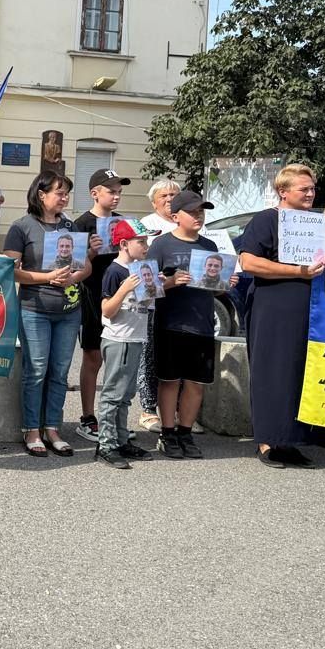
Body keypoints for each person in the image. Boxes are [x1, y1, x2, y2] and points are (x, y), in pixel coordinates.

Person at [239, 164, 325, 469]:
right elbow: (249, 262)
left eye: (313, 188)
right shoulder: (266, 220)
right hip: (273, 306)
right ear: (283, 191)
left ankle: (291, 440)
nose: (311, 194)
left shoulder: (319, 223)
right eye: (304, 189)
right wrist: (298, 271)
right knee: (273, 371)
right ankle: (267, 441)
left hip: (314, 309)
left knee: (300, 372)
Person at [3, 170, 96, 458]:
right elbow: (10, 271)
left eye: (67, 192)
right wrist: (47, 278)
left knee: (59, 372)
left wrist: (74, 277)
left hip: (69, 311)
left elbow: (85, 267)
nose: (65, 197)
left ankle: (53, 428)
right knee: (36, 371)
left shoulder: (70, 226)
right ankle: (32, 430)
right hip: (35, 310)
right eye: (60, 192)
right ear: (41, 195)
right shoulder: (21, 227)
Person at [147, 192, 235, 459]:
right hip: (171, 323)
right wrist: (171, 282)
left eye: (201, 211)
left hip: (202, 324)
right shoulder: (161, 245)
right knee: (170, 381)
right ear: (176, 216)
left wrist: (225, 285)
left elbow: (214, 288)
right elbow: (145, 287)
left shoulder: (209, 245)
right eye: (192, 211)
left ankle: (185, 432)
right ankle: (167, 433)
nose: (198, 216)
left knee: (196, 383)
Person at [95, 219, 159, 469]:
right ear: (124, 244)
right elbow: (107, 310)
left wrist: (160, 283)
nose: (146, 246)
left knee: (125, 395)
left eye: (146, 241)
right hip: (119, 339)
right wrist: (124, 290)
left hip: (135, 338)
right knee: (112, 395)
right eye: (140, 242)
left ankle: (121, 441)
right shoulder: (115, 271)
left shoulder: (140, 268)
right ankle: (106, 445)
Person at [73, 168, 128, 442]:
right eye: (111, 191)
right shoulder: (80, 224)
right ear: (95, 193)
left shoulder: (123, 222)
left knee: (118, 359)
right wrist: (91, 252)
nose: (116, 196)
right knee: (93, 356)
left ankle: (114, 418)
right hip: (92, 296)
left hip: (119, 297)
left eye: (119, 192)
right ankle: (87, 417)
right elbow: (72, 266)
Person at [136, 178, 181, 432]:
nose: (170, 199)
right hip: (153, 300)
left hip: (183, 301)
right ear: (154, 202)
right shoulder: (147, 225)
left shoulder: (188, 222)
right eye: (164, 195)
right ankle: (148, 409)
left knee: (176, 357)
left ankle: (176, 411)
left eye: (174, 195)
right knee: (150, 354)